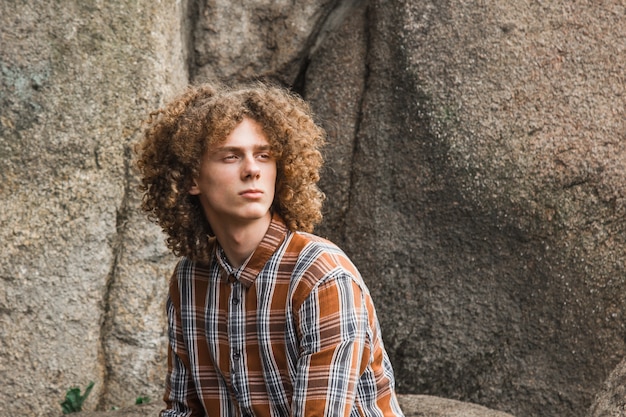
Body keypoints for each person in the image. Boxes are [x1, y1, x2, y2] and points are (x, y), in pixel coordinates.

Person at [136, 81, 404, 417]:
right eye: (231, 156)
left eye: (264, 155)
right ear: (191, 179)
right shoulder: (189, 281)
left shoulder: (321, 276)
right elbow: (182, 411)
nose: (252, 170)